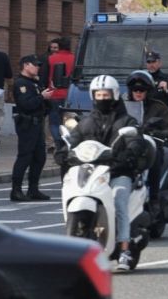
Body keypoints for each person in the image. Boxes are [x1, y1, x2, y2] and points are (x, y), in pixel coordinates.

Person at [58, 75, 153, 272]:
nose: (102, 98)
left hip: (118, 171)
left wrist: (127, 156)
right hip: (93, 171)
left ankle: (125, 249)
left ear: (115, 95)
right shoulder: (86, 122)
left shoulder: (127, 120)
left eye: (106, 94)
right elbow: (73, 141)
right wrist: (63, 153)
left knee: (119, 199)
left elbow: (136, 143)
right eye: (99, 94)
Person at [126, 70, 168, 208]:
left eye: (142, 90)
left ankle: (154, 197)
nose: (138, 92)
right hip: (127, 145)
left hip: (150, 146)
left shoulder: (158, 107)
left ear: (148, 91)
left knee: (155, 158)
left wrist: (158, 133)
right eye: (135, 89)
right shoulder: (122, 107)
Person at [10, 55, 53, 202]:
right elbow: (26, 105)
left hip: (37, 123)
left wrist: (47, 99)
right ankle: (16, 190)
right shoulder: (21, 84)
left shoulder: (34, 82)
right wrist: (42, 97)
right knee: (25, 157)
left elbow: (42, 104)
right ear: (26, 65)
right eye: (35, 65)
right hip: (27, 124)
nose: (38, 67)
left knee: (39, 157)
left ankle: (33, 189)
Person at [46, 37, 75, 149]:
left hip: (54, 93)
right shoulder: (75, 58)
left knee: (54, 121)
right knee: (70, 121)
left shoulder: (51, 58)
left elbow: (46, 75)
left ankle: (58, 142)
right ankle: (67, 142)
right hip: (70, 94)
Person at [39, 39, 60, 153]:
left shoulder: (61, 59)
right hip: (48, 91)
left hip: (58, 92)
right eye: (52, 47)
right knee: (48, 118)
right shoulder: (45, 58)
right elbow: (42, 75)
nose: (54, 50)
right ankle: (49, 143)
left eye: (56, 48)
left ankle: (53, 142)